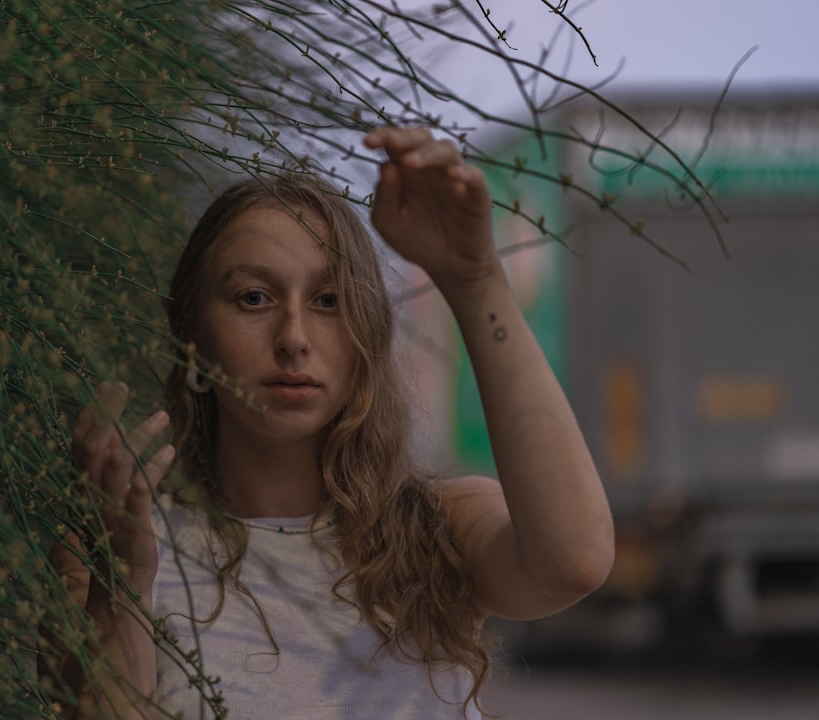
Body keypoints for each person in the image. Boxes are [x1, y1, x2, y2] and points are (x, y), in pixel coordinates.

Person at [39, 127, 615, 719]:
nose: (293, 338)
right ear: (192, 336)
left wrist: (473, 280)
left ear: (366, 332)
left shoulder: (438, 530)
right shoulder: (117, 546)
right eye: (254, 298)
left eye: (329, 301)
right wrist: (127, 578)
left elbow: (575, 562)